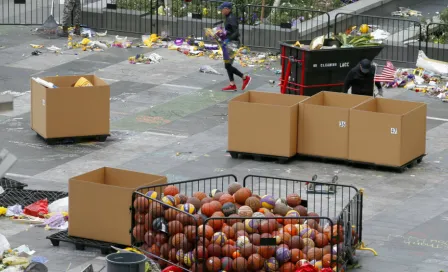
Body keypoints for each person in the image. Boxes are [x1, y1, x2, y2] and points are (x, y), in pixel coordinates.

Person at [218, 2, 251, 92]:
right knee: (228, 64)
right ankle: (232, 84)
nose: (221, 10)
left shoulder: (231, 18)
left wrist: (228, 40)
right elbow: (230, 30)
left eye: (222, 9)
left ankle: (244, 77)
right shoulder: (228, 17)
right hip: (229, 43)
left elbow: (236, 32)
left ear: (227, 9)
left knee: (227, 65)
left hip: (233, 43)